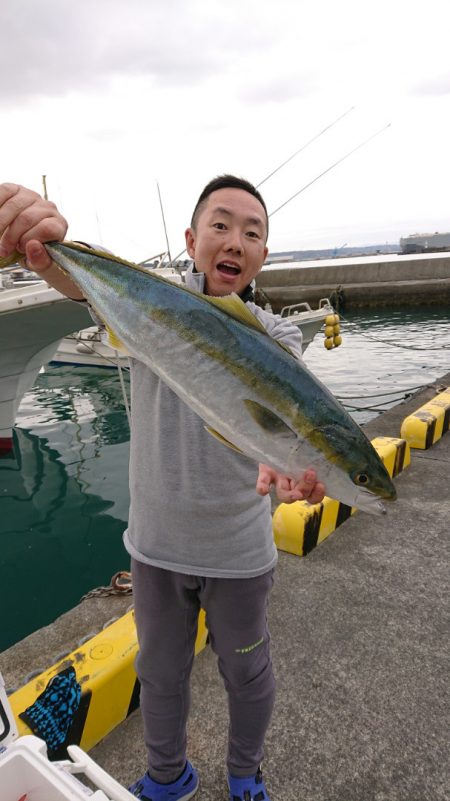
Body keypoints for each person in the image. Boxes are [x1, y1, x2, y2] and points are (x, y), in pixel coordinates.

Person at [0, 177, 325, 801]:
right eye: (221, 225)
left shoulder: (276, 339)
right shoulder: (150, 308)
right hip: (155, 548)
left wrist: (293, 473)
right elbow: (78, 282)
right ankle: (167, 777)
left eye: (253, 232)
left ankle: (244, 774)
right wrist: (49, 243)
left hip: (239, 553)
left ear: (264, 254)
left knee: (249, 674)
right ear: (192, 240)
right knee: (160, 674)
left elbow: (294, 434)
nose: (236, 241)